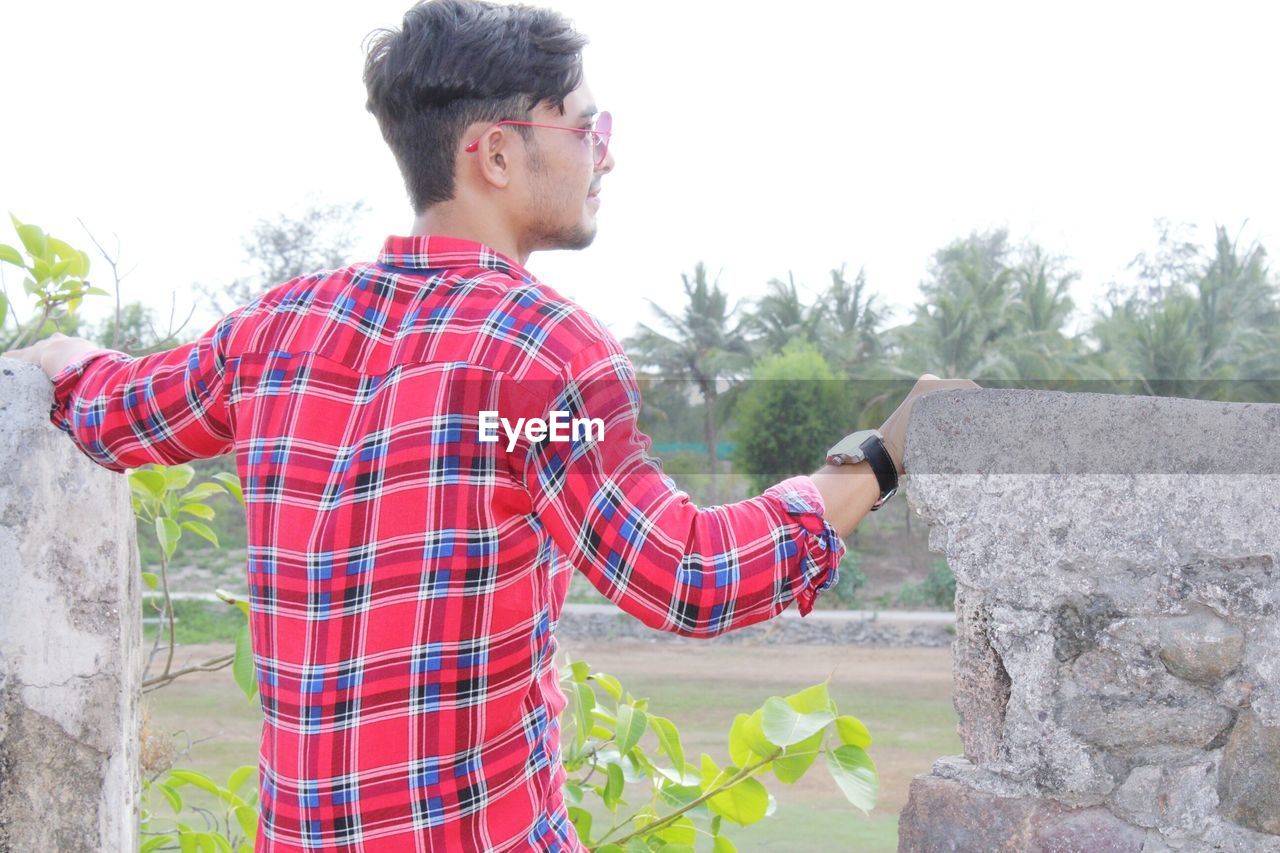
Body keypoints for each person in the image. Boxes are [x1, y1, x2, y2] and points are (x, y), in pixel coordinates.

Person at [3, 1, 977, 849]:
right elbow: (684, 571)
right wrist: (880, 454)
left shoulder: (279, 331)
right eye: (588, 128)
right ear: (497, 153)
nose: (607, 152)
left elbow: (115, 411)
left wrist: (63, 359)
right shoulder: (538, 355)